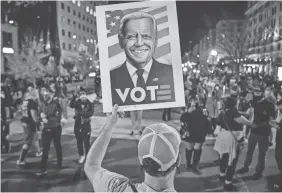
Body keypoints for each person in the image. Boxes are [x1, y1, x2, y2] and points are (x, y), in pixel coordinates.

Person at [85, 105, 181, 192]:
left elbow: (91, 165)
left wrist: (111, 123)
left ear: (141, 160)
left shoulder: (116, 188)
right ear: (179, 160)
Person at [110, 12, 175, 106]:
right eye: (131, 36)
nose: (139, 43)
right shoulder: (110, 79)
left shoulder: (172, 75)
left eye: (146, 36)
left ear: (155, 41)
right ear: (121, 41)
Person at [214, 97, 255, 191]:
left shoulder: (223, 112)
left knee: (224, 156)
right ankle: (228, 183)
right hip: (232, 138)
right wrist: (252, 113)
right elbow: (250, 124)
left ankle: (222, 175)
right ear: (235, 104)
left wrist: (243, 113)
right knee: (232, 161)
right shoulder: (235, 114)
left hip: (223, 136)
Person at [238, 86, 275, 180]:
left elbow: (271, 121)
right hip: (253, 132)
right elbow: (248, 113)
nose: (255, 93)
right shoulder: (253, 102)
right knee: (249, 150)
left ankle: (259, 172)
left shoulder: (269, 105)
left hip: (264, 133)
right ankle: (246, 166)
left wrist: (259, 125)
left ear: (262, 93)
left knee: (262, 154)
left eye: (258, 91)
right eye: (254, 92)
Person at [35, 85, 63, 176]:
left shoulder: (56, 104)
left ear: (51, 95)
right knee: (45, 149)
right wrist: (41, 118)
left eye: (47, 94)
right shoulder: (42, 104)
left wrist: (47, 118)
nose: (45, 96)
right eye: (44, 95)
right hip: (46, 129)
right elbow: (39, 116)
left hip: (55, 129)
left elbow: (58, 118)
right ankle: (43, 168)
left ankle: (59, 163)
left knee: (57, 146)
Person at [180, 99, 213, 174]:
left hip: (199, 134)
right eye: (191, 106)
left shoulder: (202, 114)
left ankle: (195, 166)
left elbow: (207, 123)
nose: (193, 108)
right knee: (189, 149)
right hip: (190, 134)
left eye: (194, 106)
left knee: (197, 149)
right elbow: (182, 120)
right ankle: (188, 164)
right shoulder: (186, 115)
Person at [69, 87, 94, 164]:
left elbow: (90, 113)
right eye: (81, 94)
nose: (83, 95)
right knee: (79, 141)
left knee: (87, 142)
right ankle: (81, 155)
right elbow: (71, 105)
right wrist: (73, 96)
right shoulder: (77, 102)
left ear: (86, 95)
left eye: (84, 94)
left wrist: (79, 114)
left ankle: (89, 157)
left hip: (86, 125)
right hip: (78, 124)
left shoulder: (90, 104)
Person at [16, 92, 40, 166]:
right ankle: (21, 159)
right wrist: (39, 122)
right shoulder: (32, 103)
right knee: (28, 142)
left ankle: (39, 151)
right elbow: (34, 116)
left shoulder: (24, 102)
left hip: (25, 122)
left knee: (33, 137)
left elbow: (19, 112)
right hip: (30, 123)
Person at [269, 99, 282, 191]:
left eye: (280, 105)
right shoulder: (281, 114)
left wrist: (277, 126)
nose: (279, 107)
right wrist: (272, 123)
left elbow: (279, 126)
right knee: (278, 158)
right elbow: (278, 124)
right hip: (279, 140)